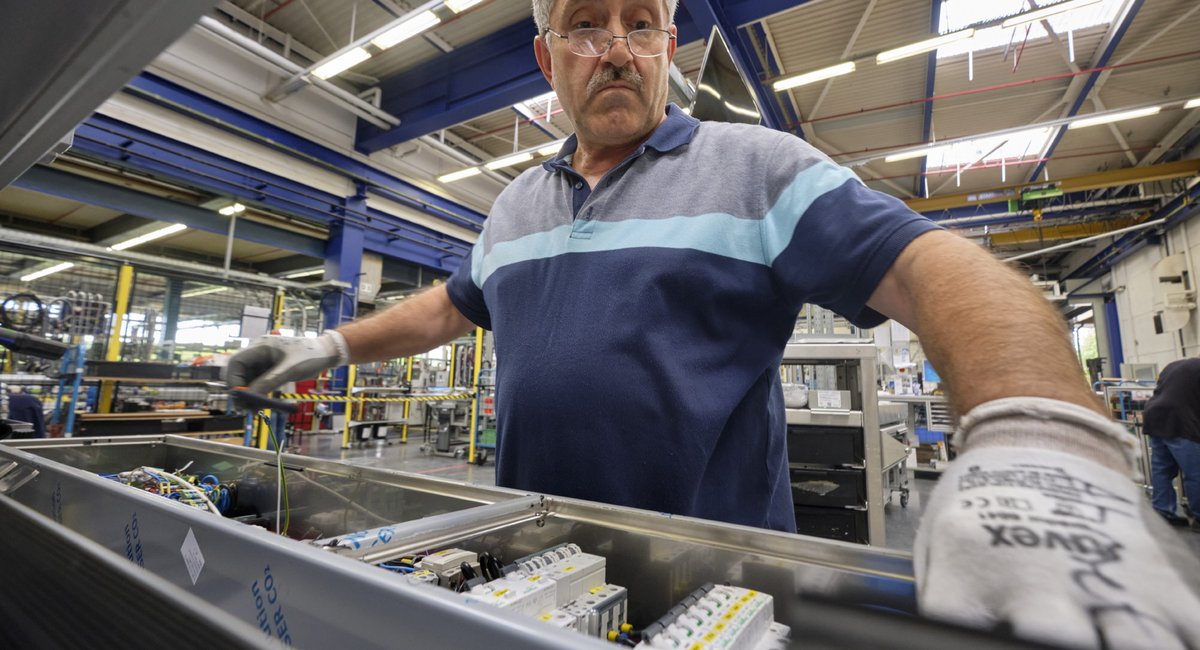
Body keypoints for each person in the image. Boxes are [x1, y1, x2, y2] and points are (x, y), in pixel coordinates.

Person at [229, 0, 1200, 646]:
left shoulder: (752, 168)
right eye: (584, 24)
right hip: (531, 567)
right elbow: (449, 307)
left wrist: (1039, 441)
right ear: (544, 57)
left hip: (716, 591)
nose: (614, 45)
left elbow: (934, 262)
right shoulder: (512, 207)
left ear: (670, 46)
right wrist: (329, 344)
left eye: (640, 21)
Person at [1142, 356, 1200, 527]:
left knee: (1163, 470)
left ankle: (1163, 512)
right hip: (1180, 421)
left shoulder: (1174, 365)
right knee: (1196, 473)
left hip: (1155, 417)